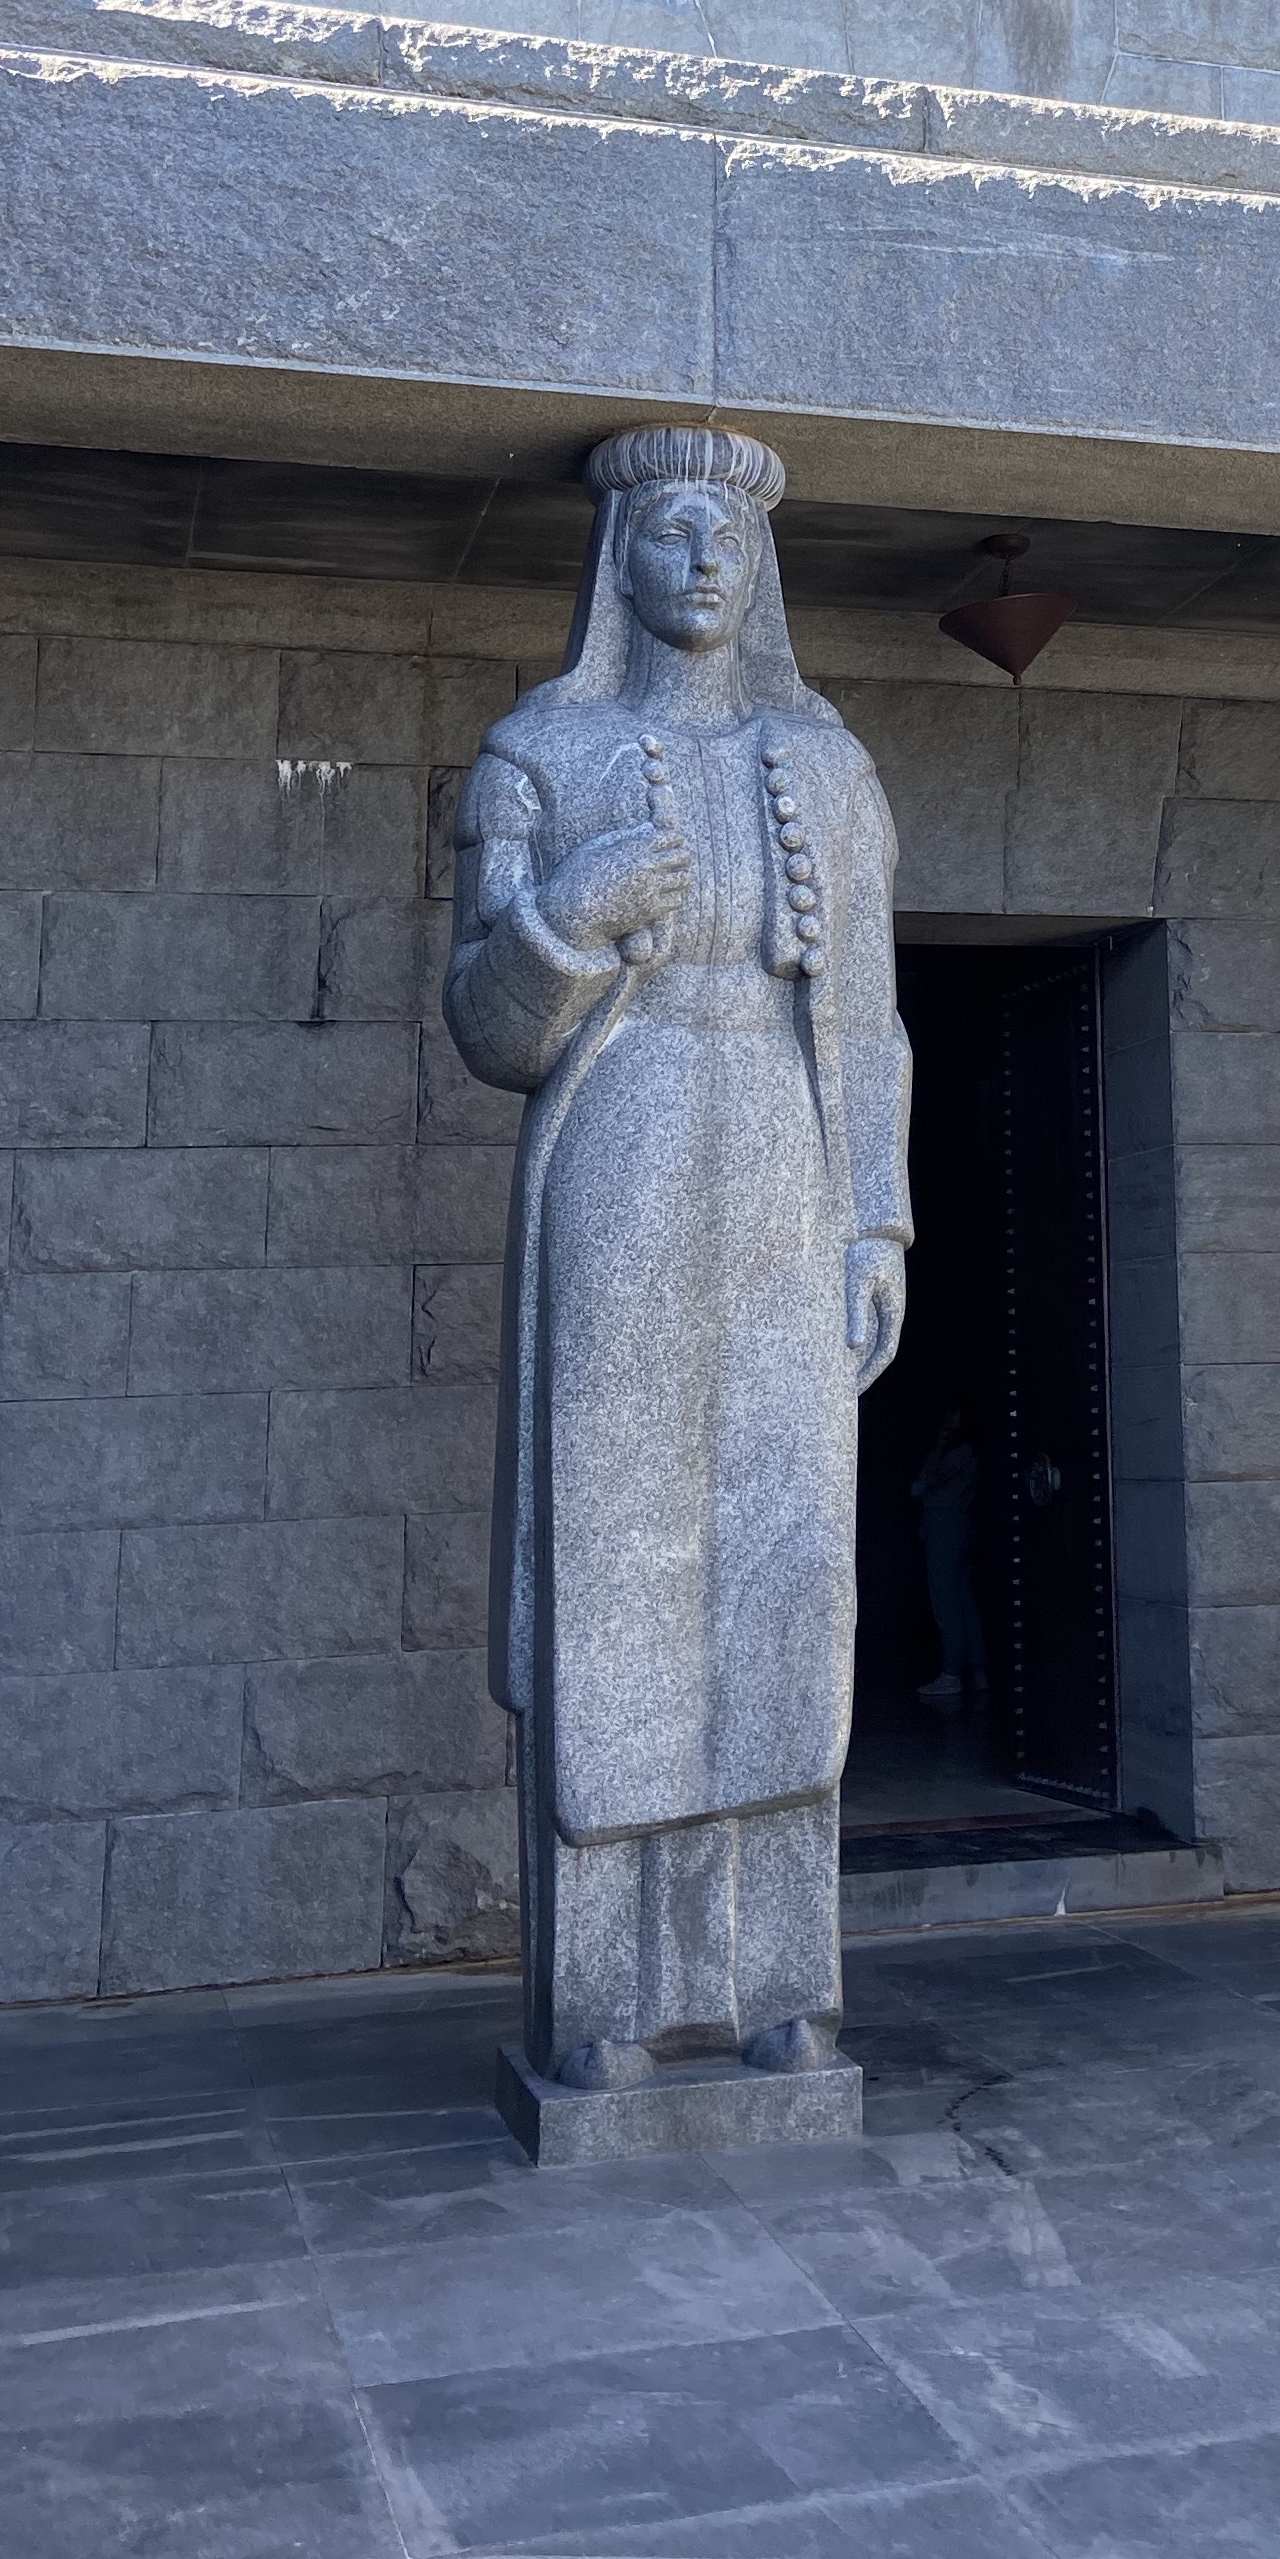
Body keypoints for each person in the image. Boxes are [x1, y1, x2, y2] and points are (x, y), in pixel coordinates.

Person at [444, 424, 909, 2092]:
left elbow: (867, 1015)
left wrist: (876, 1214)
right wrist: (567, 911)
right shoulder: (535, 755)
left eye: (728, 530)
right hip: (623, 1145)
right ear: (619, 556)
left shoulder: (824, 763)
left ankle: (779, 1976)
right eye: (670, 528)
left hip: (781, 1153)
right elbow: (488, 1029)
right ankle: (605, 2001)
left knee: (784, 1565)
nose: (703, 556)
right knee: (626, 1566)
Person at [912, 1409, 985, 1707]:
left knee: (946, 1600)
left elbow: (930, 1480)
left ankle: (952, 1672)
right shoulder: (969, 1453)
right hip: (959, 1523)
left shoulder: (959, 1453)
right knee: (964, 1599)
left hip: (946, 1524)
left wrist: (938, 1448)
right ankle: (979, 1672)